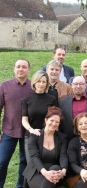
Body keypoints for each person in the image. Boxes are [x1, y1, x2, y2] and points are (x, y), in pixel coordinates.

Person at [0, 59, 34, 188]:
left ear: (28, 70)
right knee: (2, 161)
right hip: (9, 130)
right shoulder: (4, 86)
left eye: (24, 67)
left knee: (24, 161)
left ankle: (20, 186)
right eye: (18, 67)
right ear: (14, 69)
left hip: (27, 132)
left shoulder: (33, 87)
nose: (21, 69)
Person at [23, 106, 68, 188]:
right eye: (52, 120)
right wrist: (45, 173)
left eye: (57, 122)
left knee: (56, 168)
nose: (54, 124)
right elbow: (34, 157)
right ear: (46, 120)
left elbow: (63, 155)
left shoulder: (62, 138)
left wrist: (63, 171)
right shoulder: (34, 136)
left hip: (55, 172)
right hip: (36, 171)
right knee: (47, 185)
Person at [22, 70, 58, 161]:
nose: (41, 84)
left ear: (47, 84)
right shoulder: (27, 99)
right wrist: (31, 130)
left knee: (46, 164)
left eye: (44, 82)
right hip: (31, 137)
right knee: (31, 165)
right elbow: (24, 119)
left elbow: (55, 119)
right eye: (39, 81)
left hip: (48, 136)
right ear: (34, 82)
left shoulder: (52, 99)